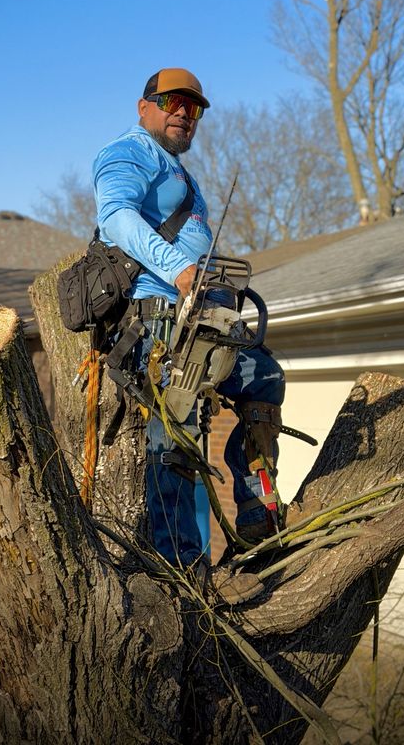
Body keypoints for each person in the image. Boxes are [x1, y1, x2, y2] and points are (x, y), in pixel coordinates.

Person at [92, 68, 285, 570]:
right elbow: (116, 216)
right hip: (159, 322)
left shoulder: (183, 175)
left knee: (263, 376)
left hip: (201, 318)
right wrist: (177, 267)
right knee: (175, 433)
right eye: (173, 102)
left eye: (193, 108)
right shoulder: (128, 152)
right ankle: (181, 566)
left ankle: (255, 507)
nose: (184, 114)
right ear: (144, 106)